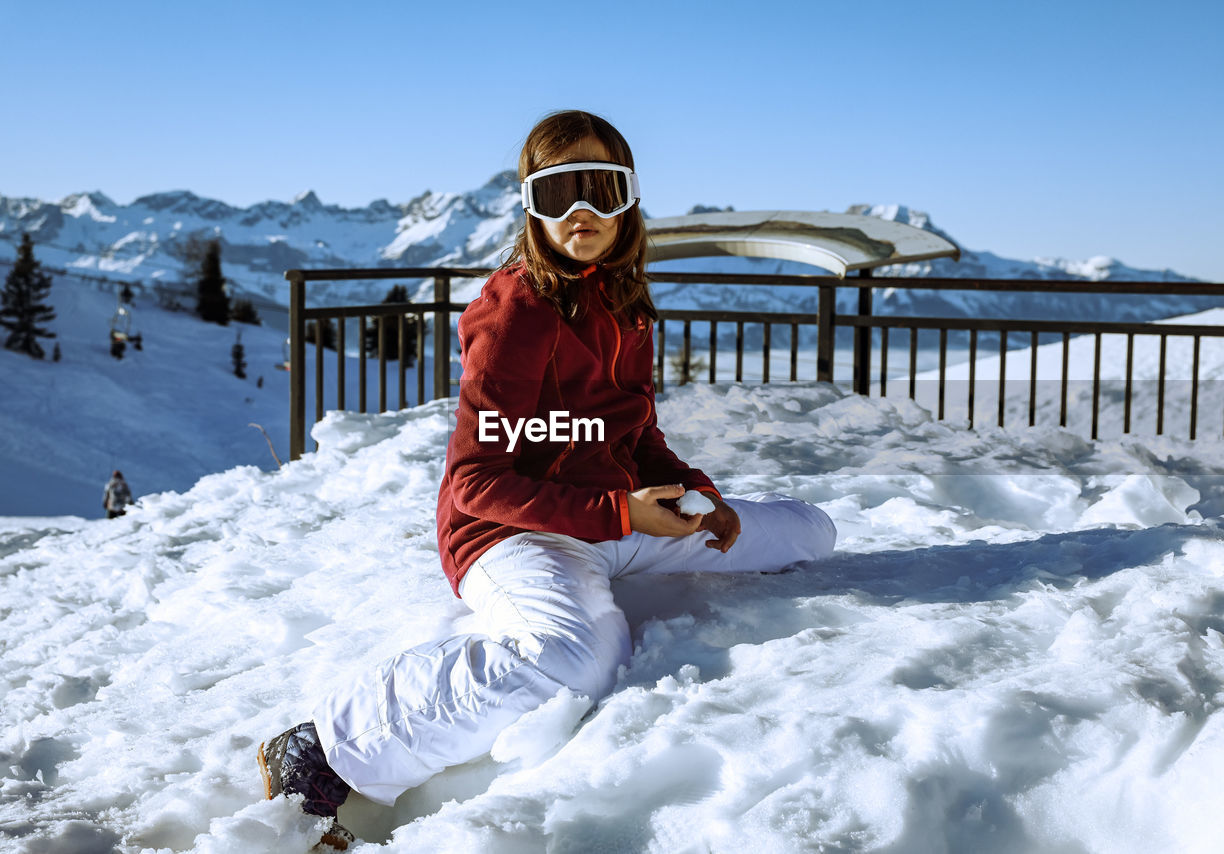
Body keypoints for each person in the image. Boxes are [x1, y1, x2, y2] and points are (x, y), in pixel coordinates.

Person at [256, 110, 837, 848]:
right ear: (532, 205)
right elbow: (475, 481)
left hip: (611, 518)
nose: (583, 211)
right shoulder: (514, 315)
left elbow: (637, 433)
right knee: (575, 660)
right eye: (560, 192)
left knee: (807, 532)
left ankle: (671, 532)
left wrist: (698, 495)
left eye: (602, 187)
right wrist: (621, 514)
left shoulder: (623, 304)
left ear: (630, 201)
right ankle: (325, 747)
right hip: (511, 532)